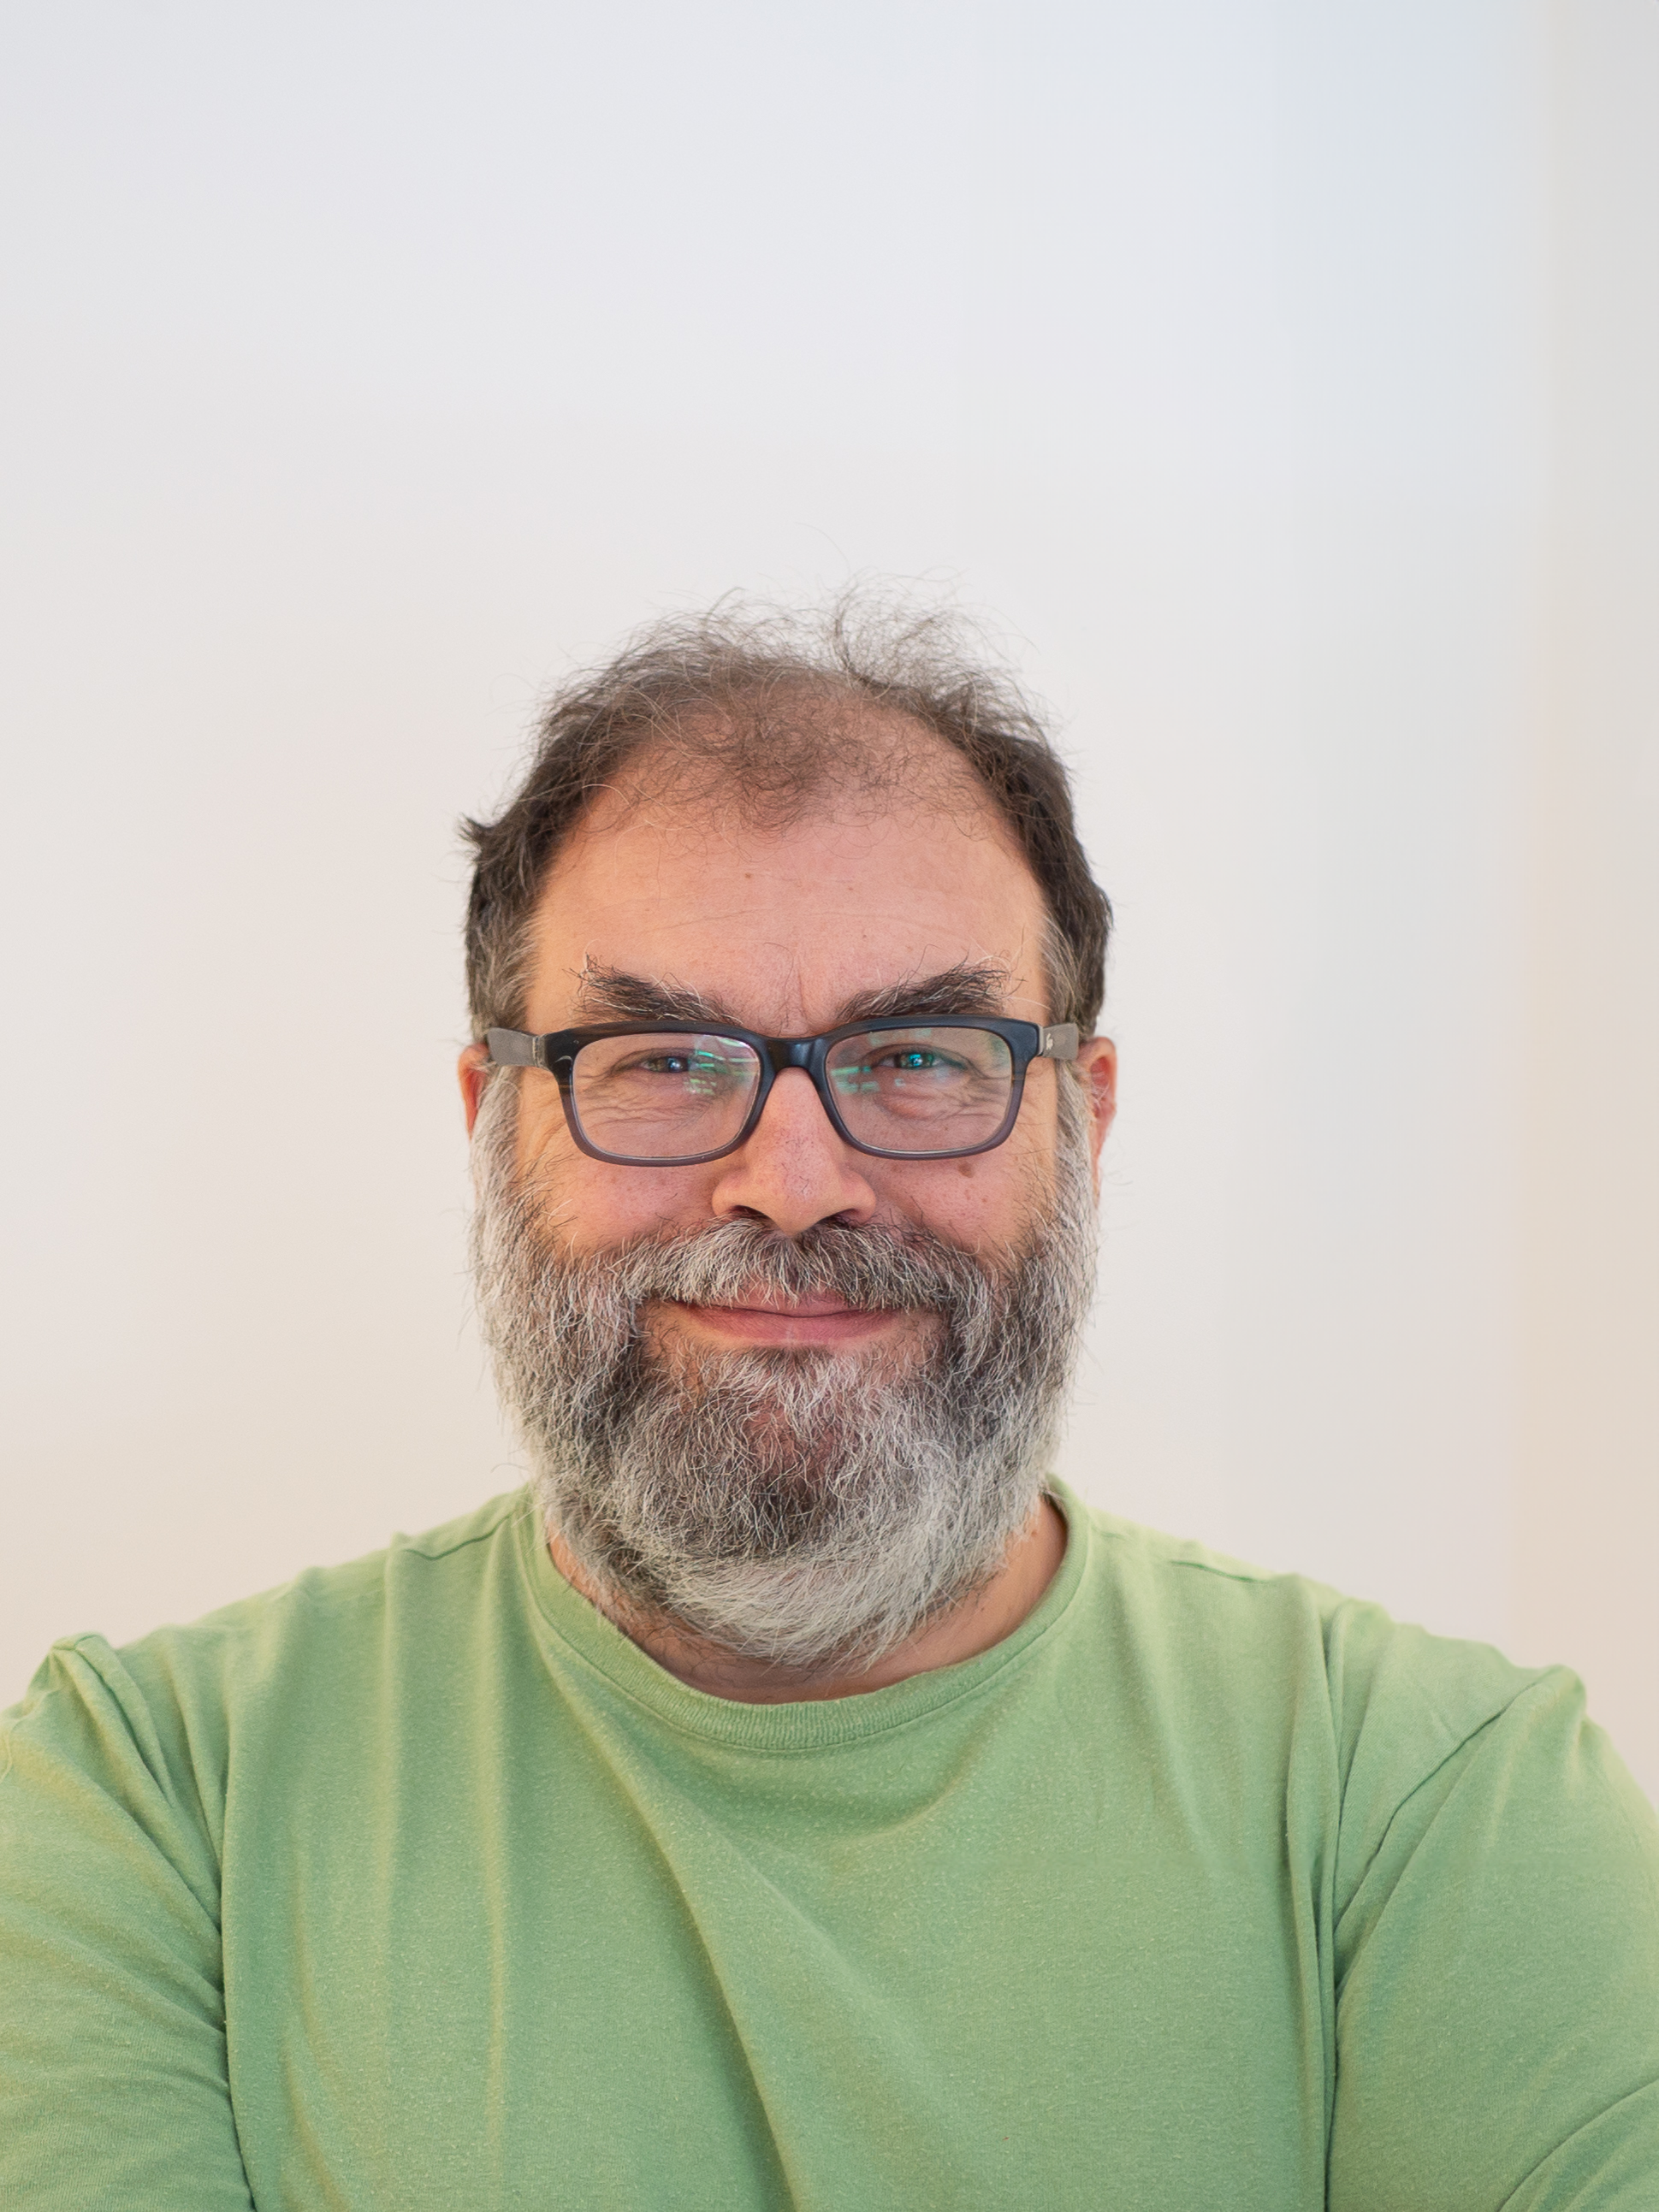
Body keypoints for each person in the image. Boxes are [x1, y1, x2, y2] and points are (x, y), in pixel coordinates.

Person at [2, 600, 1656, 2210]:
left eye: (918, 1055)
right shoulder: (152, 1803)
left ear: (1080, 1123)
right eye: (662, 1060)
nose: (791, 1182)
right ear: (490, 1125)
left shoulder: (1426, 1805)